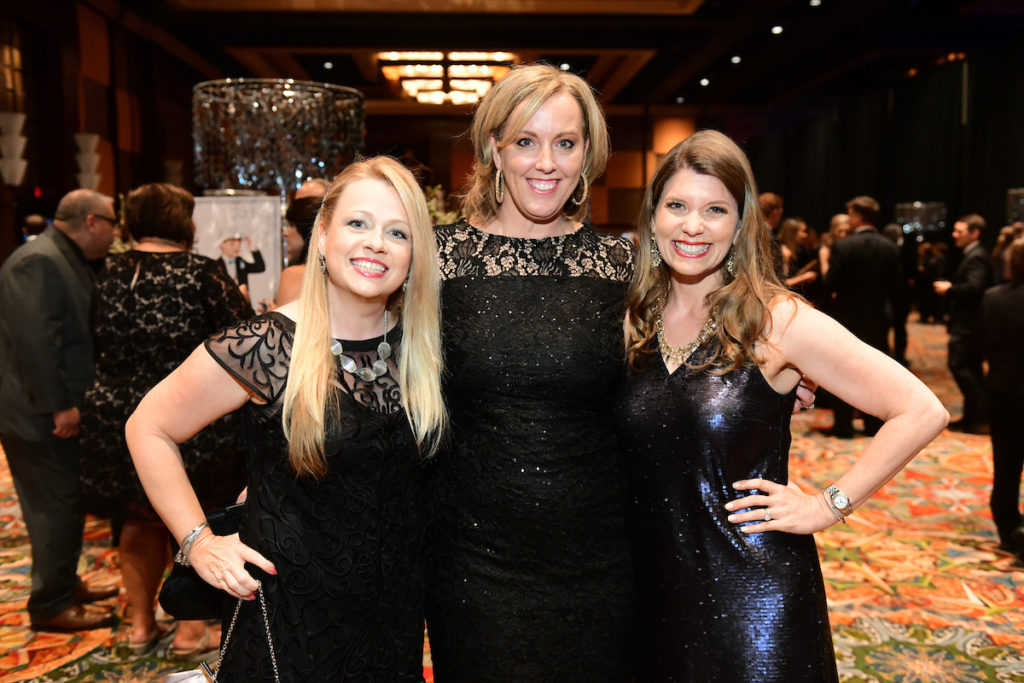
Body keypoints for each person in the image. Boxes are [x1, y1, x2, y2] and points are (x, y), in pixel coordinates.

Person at [618, 130, 948, 681]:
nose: (693, 225)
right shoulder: (634, 321)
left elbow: (921, 409)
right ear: (653, 217)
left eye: (715, 209)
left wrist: (827, 506)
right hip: (654, 592)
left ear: (741, 223)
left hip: (755, 599)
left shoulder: (776, 320)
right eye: (676, 205)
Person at [126, 157, 446, 680]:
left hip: (392, 615)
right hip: (287, 611)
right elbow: (148, 426)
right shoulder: (265, 345)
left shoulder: (420, 345)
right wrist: (198, 542)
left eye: (397, 232)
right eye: (357, 223)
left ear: (415, 254)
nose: (375, 243)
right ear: (322, 235)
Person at [423, 63, 638, 681]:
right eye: (525, 141)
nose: (546, 162)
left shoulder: (619, 263)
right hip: (473, 558)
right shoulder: (436, 257)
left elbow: (686, 352)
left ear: (587, 154)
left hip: (598, 555)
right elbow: (361, 352)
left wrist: (775, 380)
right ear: (494, 148)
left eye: (565, 143)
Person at [78, 183, 252, 655]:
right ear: (183, 222)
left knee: (136, 523)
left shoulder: (107, 272)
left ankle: (139, 625)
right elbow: (238, 343)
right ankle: (191, 630)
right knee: (195, 520)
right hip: (190, 420)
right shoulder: (202, 272)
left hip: (115, 415)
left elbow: (92, 337)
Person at [0, 189, 119, 632]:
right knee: (54, 506)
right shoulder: (40, 260)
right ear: (91, 221)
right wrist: (60, 406)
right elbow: (36, 343)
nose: (114, 233)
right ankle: (50, 603)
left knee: (66, 502)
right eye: (111, 223)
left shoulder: (60, 256)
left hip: (48, 408)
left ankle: (65, 584)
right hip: (40, 414)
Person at [823, 195, 904, 438]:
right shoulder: (889, 247)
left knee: (843, 371)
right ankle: (873, 424)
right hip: (879, 318)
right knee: (875, 372)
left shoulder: (844, 246)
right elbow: (898, 288)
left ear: (857, 217)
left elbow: (830, 285)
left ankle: (844, 424)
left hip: (846, 319)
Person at [980, 237, 1024, 560]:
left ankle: (1009, 533)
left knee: (1005, 468)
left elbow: (982, 345)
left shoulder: (993, 298)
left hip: (1003, 391)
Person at [933, 214, 992, 434]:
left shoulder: (976, 256)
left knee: (963, 367)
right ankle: (973, 417)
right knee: (970, 369)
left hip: (969, 325)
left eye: (960, 231)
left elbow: (975, 288)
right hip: (969, 323)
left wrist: (949, 289)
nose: (954, 235)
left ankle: (981, 418)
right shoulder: (973, 254)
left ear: (975, 233)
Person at [273, 195, 319, 307]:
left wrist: (273, 316)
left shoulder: (294, 274)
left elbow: (286, 324)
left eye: (291, 226)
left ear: (307, 229)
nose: (285, 233)